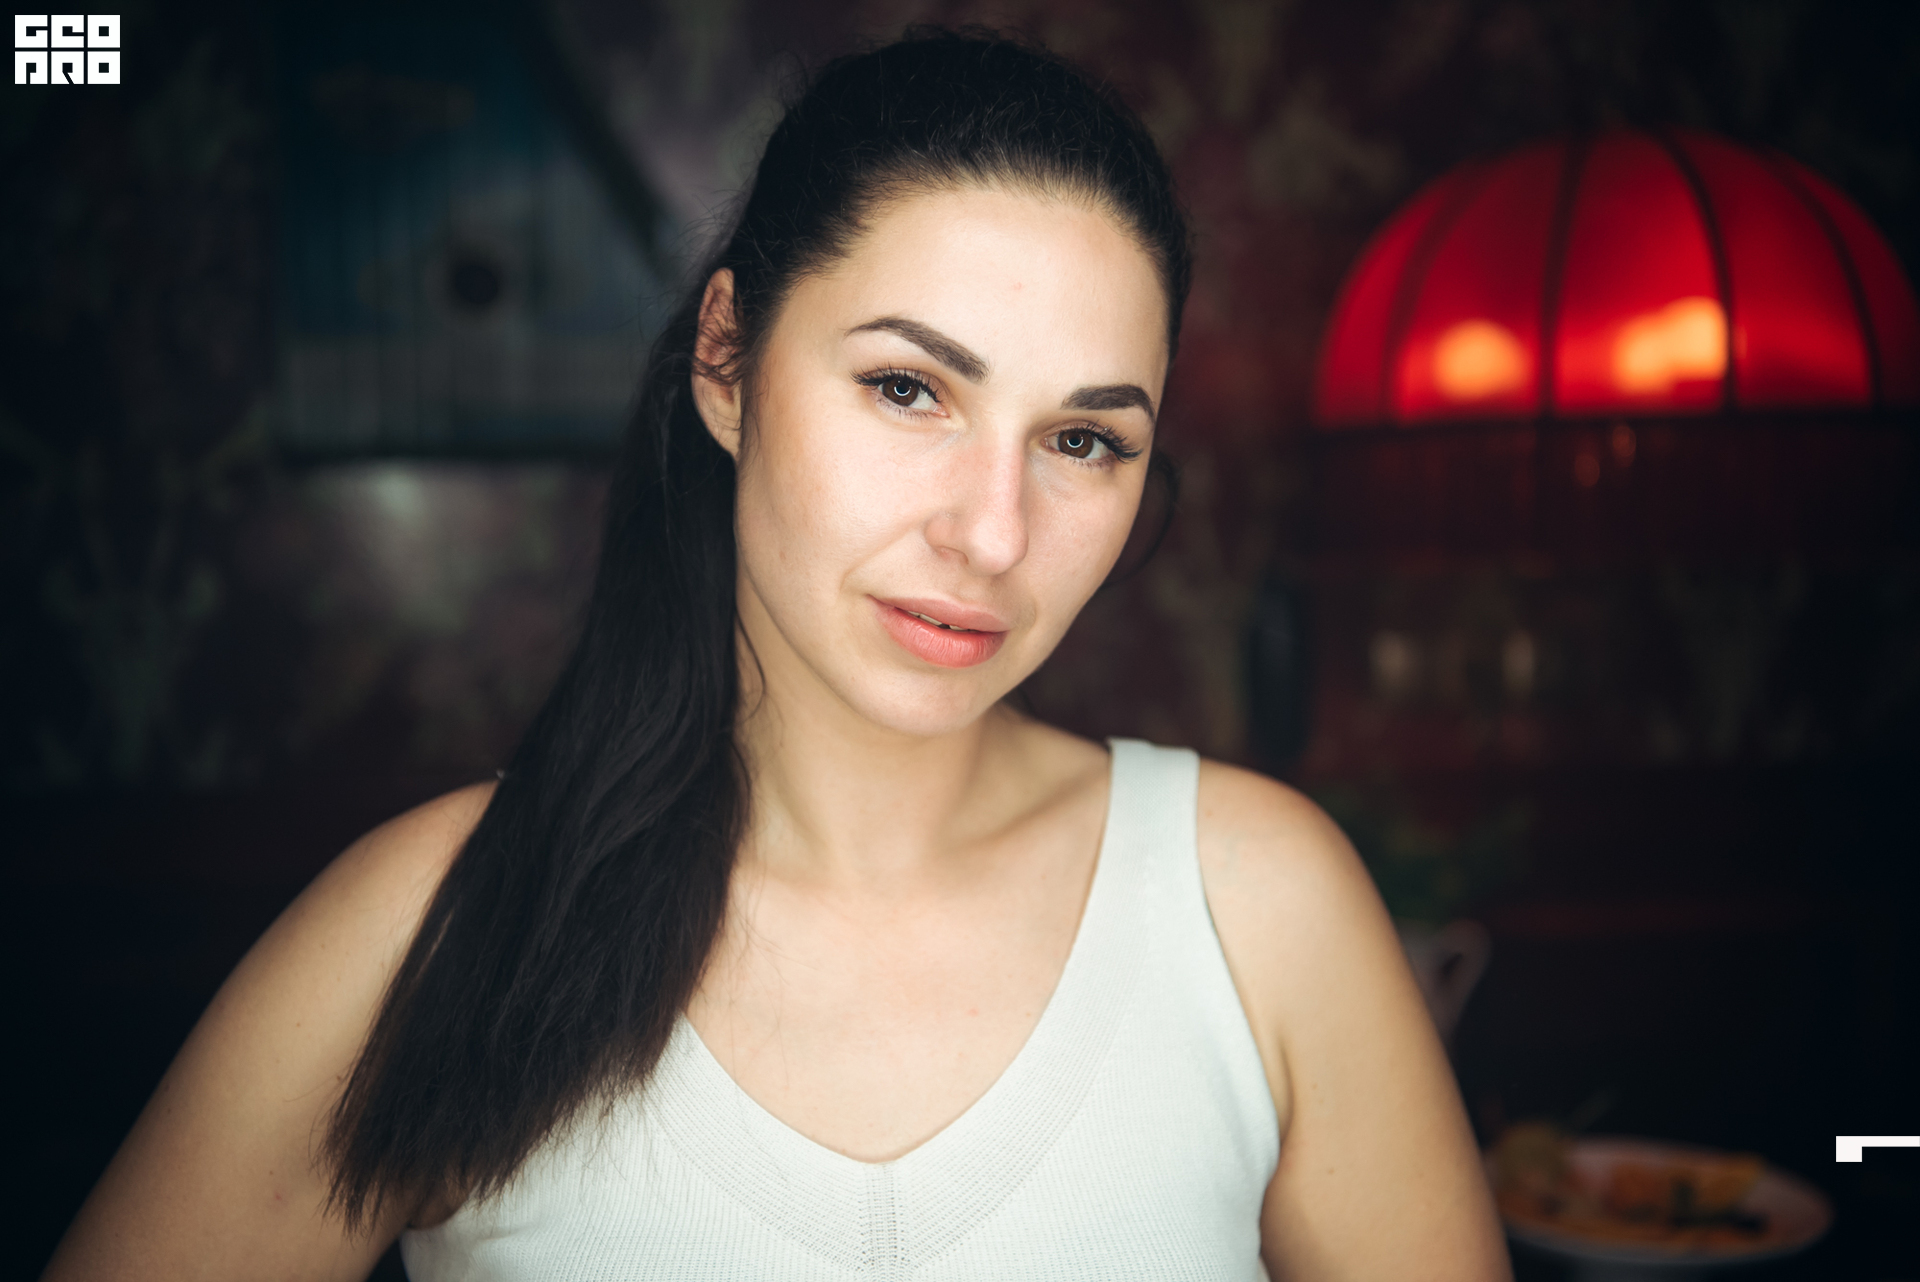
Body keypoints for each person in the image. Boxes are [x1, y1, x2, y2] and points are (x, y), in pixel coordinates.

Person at [44, 30, 1508, 1282]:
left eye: (1083, 440)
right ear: (727, 361)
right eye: (907, 388)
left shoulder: (1258, 908)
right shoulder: (426, 932)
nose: (993, 533)